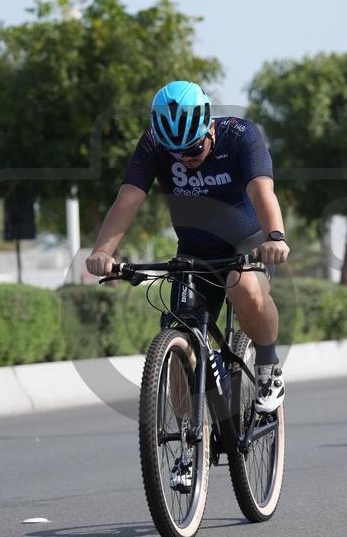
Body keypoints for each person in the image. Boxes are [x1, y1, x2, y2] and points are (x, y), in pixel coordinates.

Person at [86, 80, 290, 414]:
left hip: (247, 245)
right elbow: (128, 199)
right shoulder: (153, 143)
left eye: (193, 150)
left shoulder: (241, 136)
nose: (185, 159)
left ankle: (268, 368)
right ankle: (189, 438)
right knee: (182, 336)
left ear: (210, 128)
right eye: (176, 154)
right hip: (194, 251)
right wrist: (103, 252)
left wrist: (275, 237)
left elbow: (261, 190)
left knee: (243, 286)